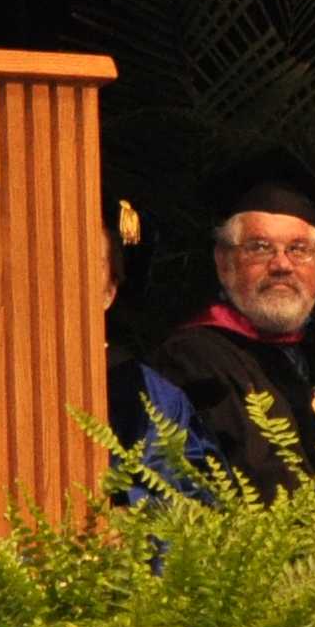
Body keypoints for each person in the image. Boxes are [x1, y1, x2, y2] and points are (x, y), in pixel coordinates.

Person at [147, 151, 315, 501]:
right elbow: (249, 484)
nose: (282, 265)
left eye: (300, 249)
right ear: (224, 262)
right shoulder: (193, 360)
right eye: (260, 248)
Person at [100, 198, 222, 503]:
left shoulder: (154, 398)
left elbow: (197, 507)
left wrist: (132, 518)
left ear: (109, 293)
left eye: (84, 264)